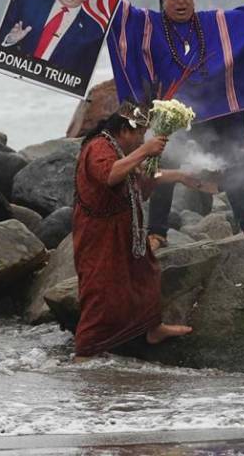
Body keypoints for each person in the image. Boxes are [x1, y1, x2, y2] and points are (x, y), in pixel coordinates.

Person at [106, 0, 244, 245]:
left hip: (213, 111)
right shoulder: (149, 25)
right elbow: (120, 13)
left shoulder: (212, 23)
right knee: (165, 165)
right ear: (163, 0)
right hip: (170, 117)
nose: (181, 2)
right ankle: (156, 232)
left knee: (230, 163)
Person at [72, 101, 200, 361]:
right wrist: (144, 150)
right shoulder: (99, 147)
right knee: (100, 291)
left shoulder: (120, 149)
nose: (142, 138)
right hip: (99, 234)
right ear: (124, 130)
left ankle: (153, 328)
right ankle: (84, 354)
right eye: (140, 134)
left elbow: (140, 178)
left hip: (125, 229)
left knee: (146, 273)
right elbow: (110, 175)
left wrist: (180, 176)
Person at [1, 0, 105, 75]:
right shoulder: (29, 2)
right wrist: (10, 39)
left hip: (51, 85)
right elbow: (2, 31)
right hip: (14, 73)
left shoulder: (93, 29)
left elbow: (85, 68)